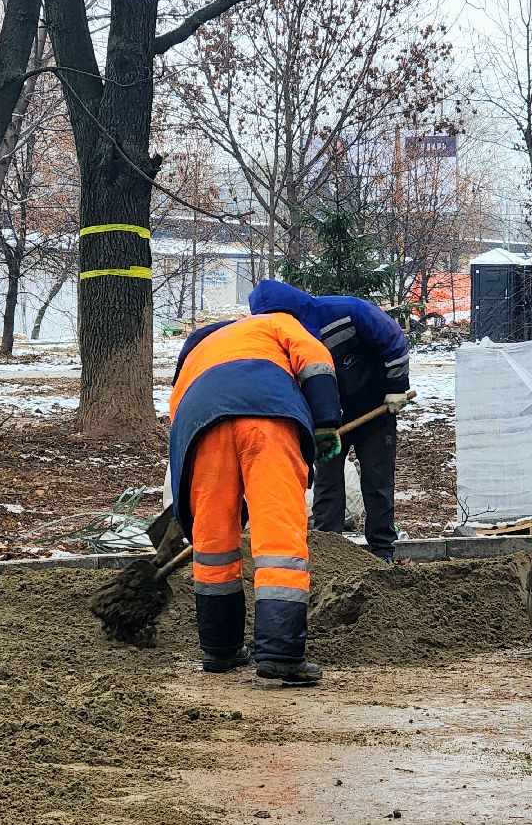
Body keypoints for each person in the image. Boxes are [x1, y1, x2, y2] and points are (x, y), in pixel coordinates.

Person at [169, 311, 342, 686]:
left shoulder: (198, 351)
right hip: (269, 417)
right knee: (279, 540)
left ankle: (220, 649)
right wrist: (326, 421)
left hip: (201, 426)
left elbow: (176, 418)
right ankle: (280, 653)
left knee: (213, 542)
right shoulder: (278, 322)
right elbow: (315, 360)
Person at [248, 280, 410, 563]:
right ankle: (329, 553)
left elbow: (393, 338)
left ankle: (383, 552)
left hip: (374, 410)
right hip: (327, 421)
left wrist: (397, 385)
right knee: (327, 484)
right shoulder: (279, 340)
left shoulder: (348, 312)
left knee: (377, 482)